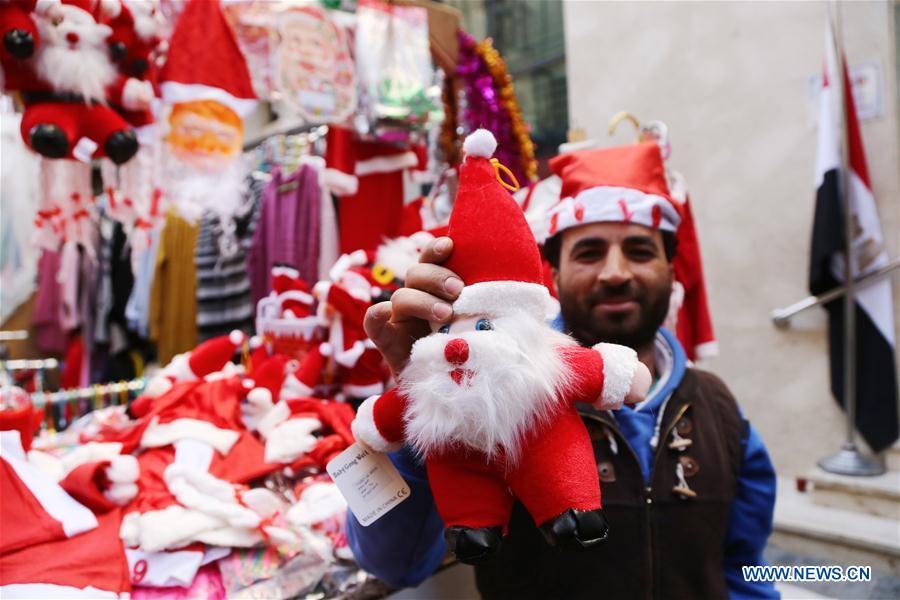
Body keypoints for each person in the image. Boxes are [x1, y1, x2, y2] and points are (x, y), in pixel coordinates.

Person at [346, 141, 779, 599]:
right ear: (551, 274)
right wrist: (433, 402)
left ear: (672, 271)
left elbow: (746, 566)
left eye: (639, 251)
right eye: (589, 252)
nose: (615, 273)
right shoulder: (489, 380)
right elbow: (391, 565)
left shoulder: (717, 408)